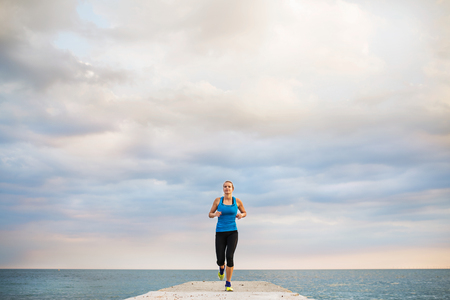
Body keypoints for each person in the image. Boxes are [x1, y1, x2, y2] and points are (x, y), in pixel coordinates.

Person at [208, 180, 247, 292]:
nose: (227, 188)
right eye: (225, 187)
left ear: (232, 189)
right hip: (220, 232)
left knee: (229, 256)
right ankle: (221, 268)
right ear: (223, 189)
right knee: (220, 259)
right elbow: (209, 214)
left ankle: (228, 283)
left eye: (229, 187)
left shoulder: (237, 201)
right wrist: (214, 214)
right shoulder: (217, 200)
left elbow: (245, 212)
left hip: (232, 232)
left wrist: (241, 215)